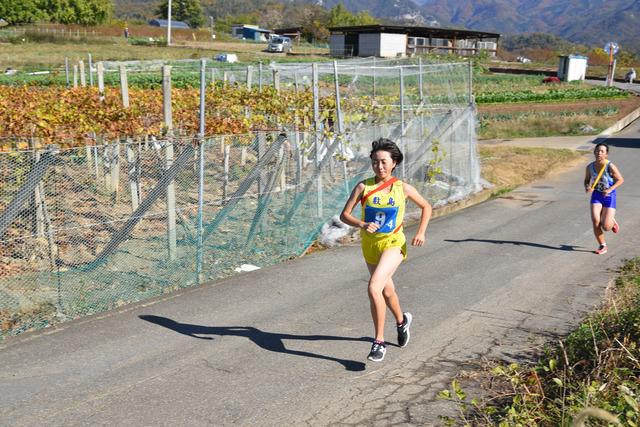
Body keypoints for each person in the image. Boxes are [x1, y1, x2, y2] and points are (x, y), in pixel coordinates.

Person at [340, 138, 432, 362]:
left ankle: (378, 342)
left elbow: (426, 206)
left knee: (374, 287)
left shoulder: (403, 188)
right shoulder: (364, 186)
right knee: (387, 291)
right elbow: (345, 215)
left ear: (394, 163)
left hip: (393, 244)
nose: (379, 167)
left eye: (383, 162)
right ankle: (402, 321)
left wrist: (420, 232)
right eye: (374, 162)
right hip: (370, 246)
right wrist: (361, 224)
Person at [584, 142, 624, 255]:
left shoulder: (610, 166)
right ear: (594, 152)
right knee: (596, 222)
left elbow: (620, 180)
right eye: (597, 150)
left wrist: (610, 190)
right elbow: (587, 180)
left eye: (602, 151)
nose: (599, 153)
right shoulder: (590, 167)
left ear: (606, 154)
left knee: (606, 227)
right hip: (596, 195)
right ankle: (603, 245)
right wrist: (587, 187)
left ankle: (611, 221)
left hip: (609, 196)